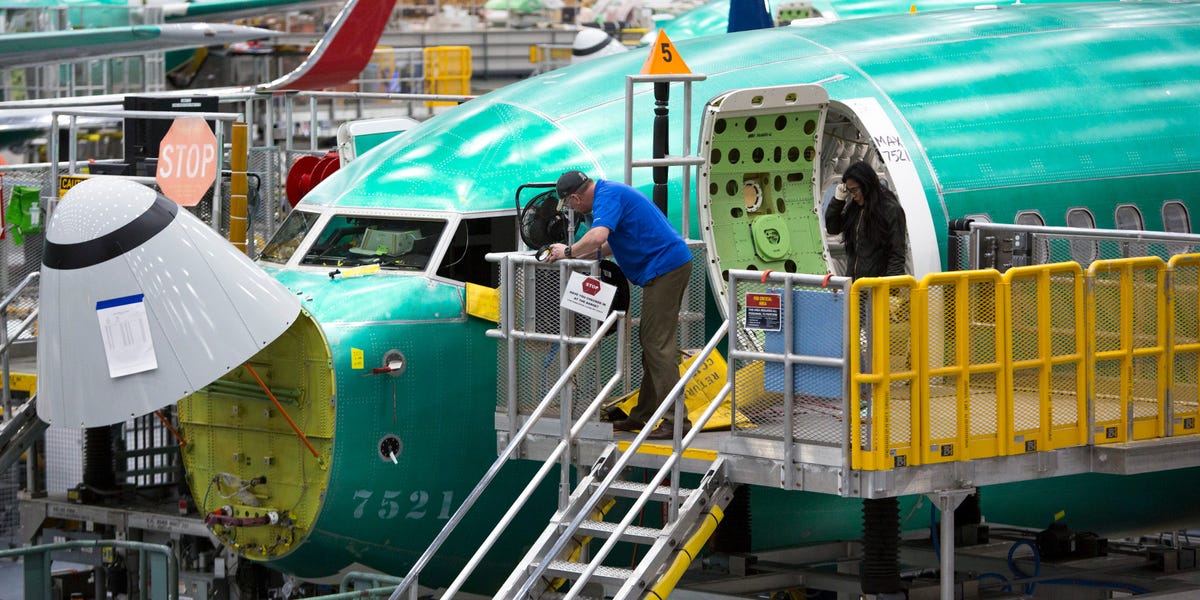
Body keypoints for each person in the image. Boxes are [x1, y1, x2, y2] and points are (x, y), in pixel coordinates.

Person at [544, 170, 693, 440]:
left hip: (666, 268)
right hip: (663, 268)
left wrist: (567, 251)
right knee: (651, 343)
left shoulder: (607, 196)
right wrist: (569, 256)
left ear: (576, 198)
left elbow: (598, 237)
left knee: (657, 344)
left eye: (569, 205)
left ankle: (677, 420)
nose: (572, 210)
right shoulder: (608, 193)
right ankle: (643, 415)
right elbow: (608, 245)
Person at [824, 161, 908, 279]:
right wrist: (838, 200)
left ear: (866, 184)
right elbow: (833, 228)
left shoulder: (891, 210)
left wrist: (891, 290)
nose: (853, 195)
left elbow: (897, 254)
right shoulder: (855, 208)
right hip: (856, 286)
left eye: (855, 190)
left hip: (877, 287)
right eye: (849, 191)